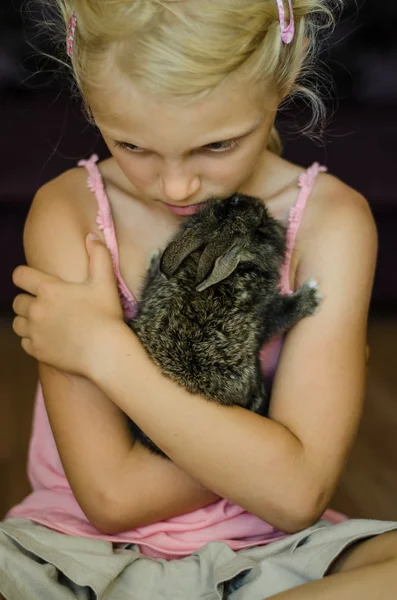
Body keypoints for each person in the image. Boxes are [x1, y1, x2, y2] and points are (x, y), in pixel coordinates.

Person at [4, 0, 397, 598]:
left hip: (273, 553)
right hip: (76, 553)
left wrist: (106, 352)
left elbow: (296, 498)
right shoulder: (73, 211)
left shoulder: (332, 221)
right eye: (133, 146)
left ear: (285, 79)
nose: (177, 186)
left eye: (217, 146)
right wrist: (273, 437)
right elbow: (112, 498)